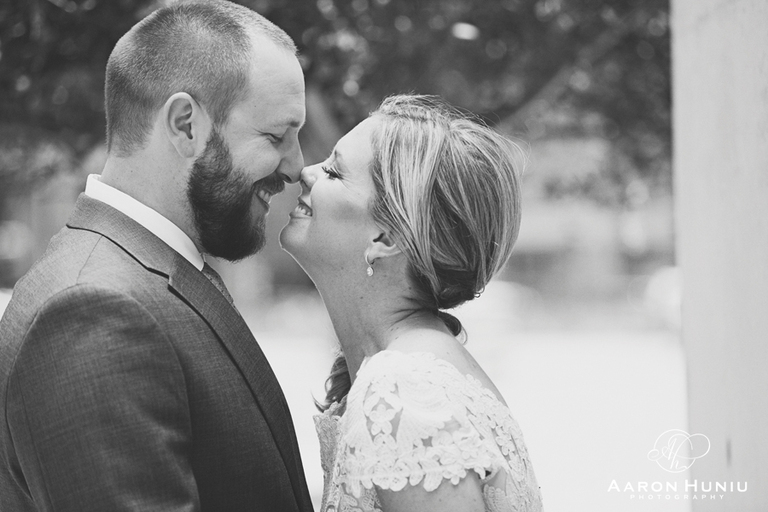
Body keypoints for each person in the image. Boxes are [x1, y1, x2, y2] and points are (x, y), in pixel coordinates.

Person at [0, 1, 313, 511]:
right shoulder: (93, 310)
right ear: (186, 124)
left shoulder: (141, 273)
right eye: (276, 137)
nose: (297, 167)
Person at [280, 94, 544, 512]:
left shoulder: (403, 389)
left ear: (386, 239)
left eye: (333, 171)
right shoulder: (403, 368)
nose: (304, 173)